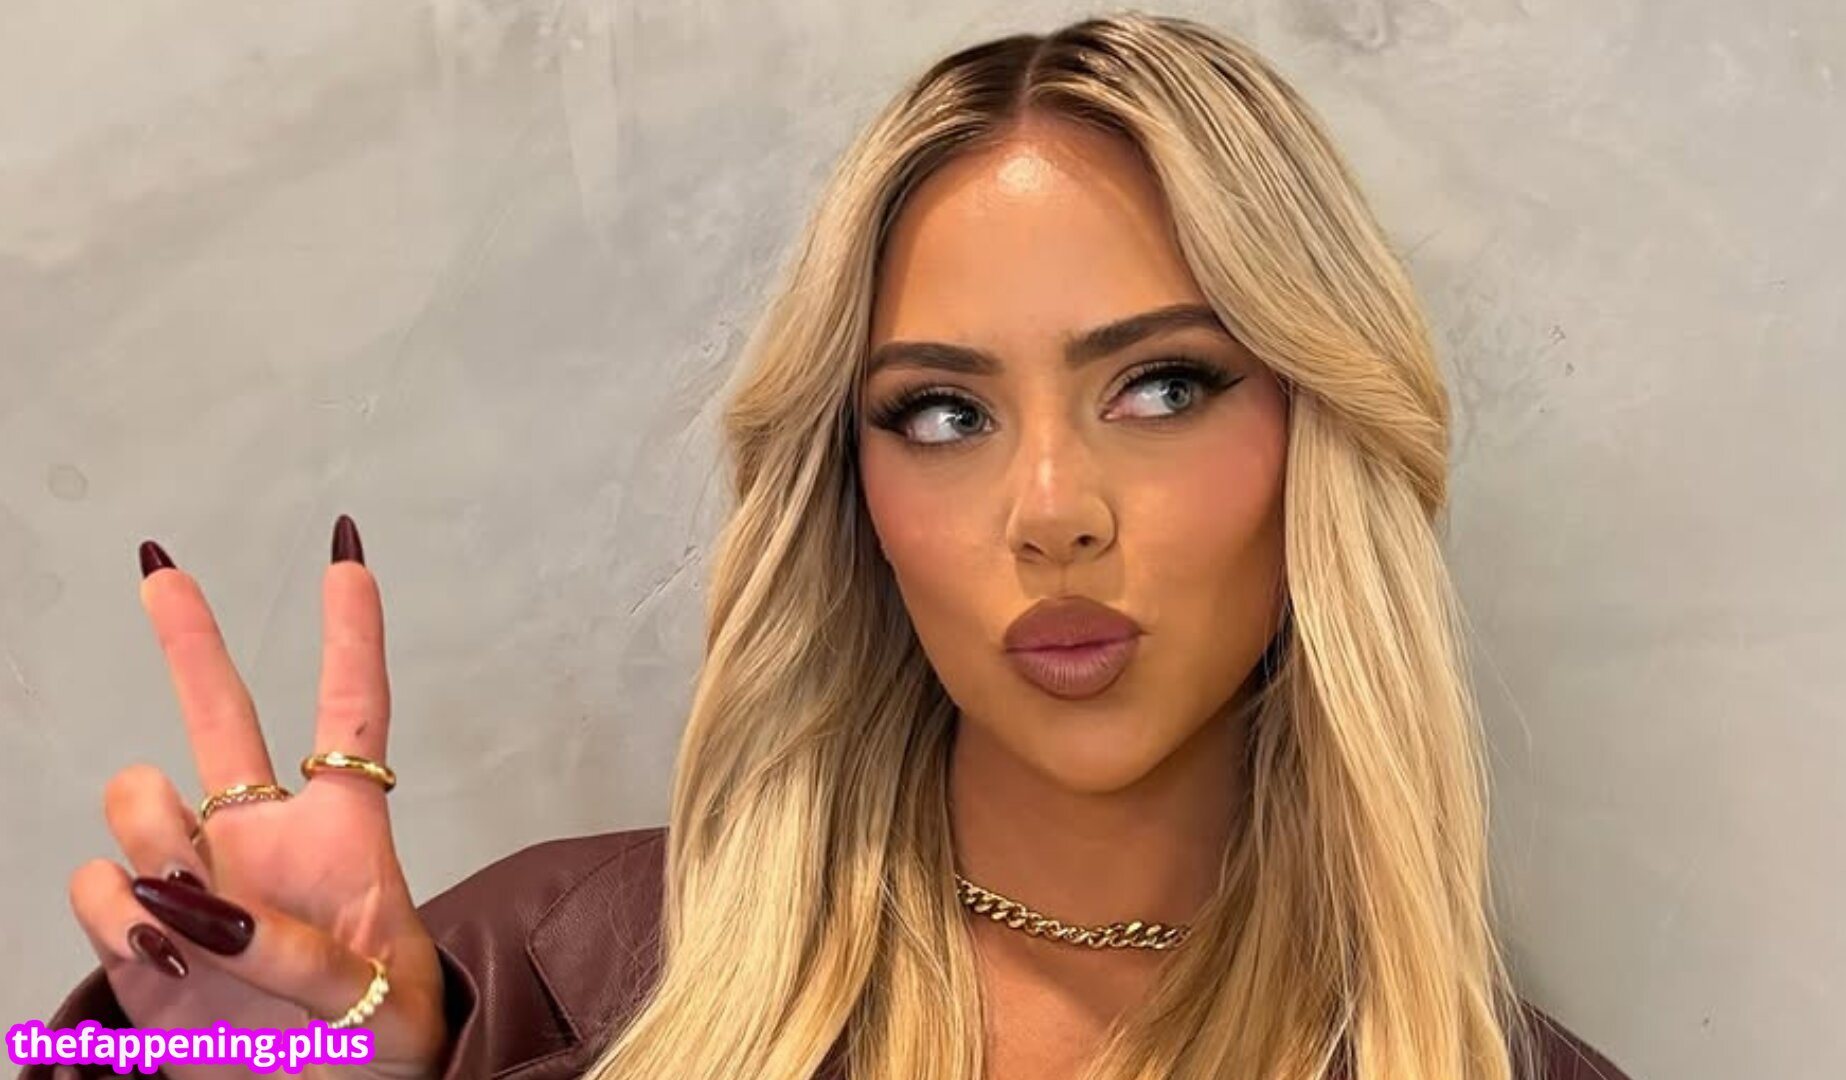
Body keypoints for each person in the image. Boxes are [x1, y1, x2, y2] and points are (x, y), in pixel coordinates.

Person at [22, 13, 1634, 1080]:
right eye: (943, 411)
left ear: (1319, 435)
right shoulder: (540, 979)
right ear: (853, 493)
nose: (1052, 508)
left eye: (1161, 386)